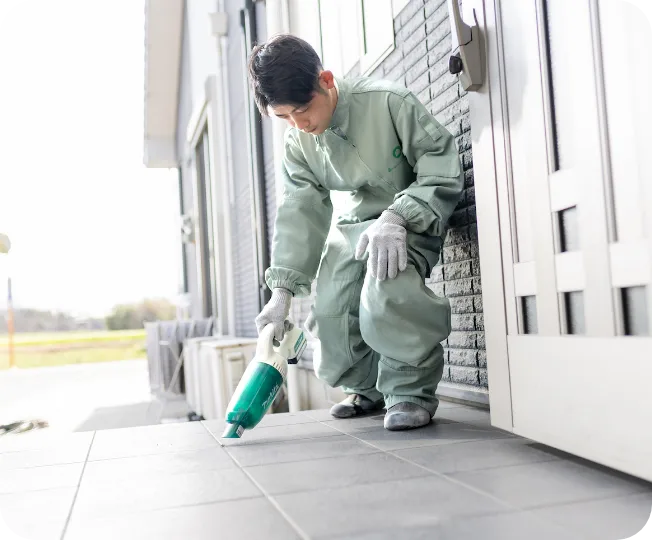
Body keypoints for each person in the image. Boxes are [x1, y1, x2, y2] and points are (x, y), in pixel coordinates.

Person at [250, 34, 464, 431]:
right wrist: (280, 291)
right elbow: (300, 211)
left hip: (409, 220)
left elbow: (440, 162)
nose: (300, 125)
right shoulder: (298, 141)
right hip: (352, 230)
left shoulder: (388, 101)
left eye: (302, 110)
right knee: (330, 310)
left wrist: (399, 217)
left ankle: (409, 393)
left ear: (326, 81)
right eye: (284, 118)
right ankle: (369, 389)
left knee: (387, 288)